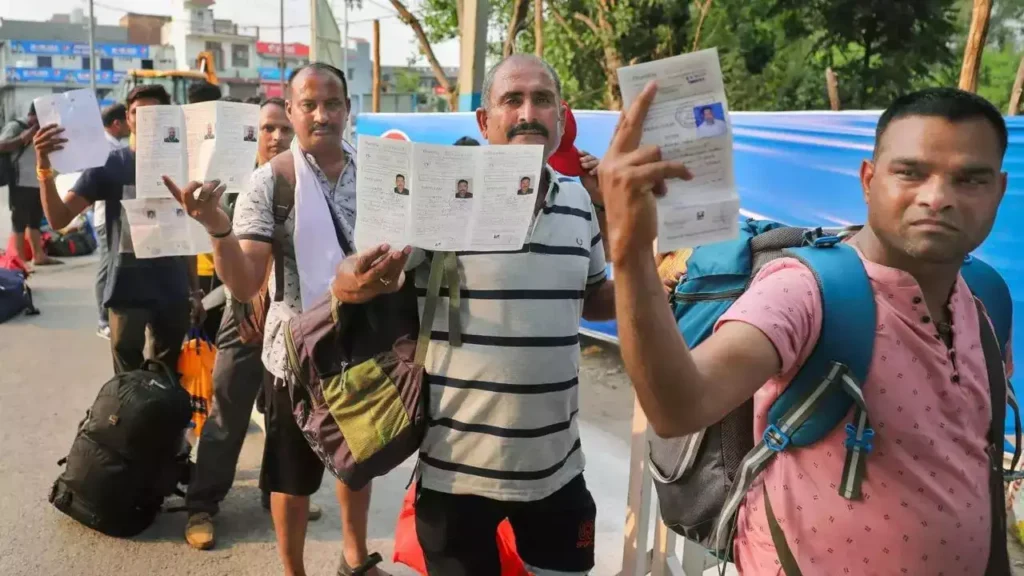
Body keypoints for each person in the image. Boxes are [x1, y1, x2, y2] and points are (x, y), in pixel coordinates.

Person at [602, 85, 1013, 574]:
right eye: (911, 172)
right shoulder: (805, 290)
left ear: (999, 191)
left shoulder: (984, 299)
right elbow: (680, 406)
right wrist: (630, 251)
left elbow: (977, 463)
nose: (937, 198)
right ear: (868, 180)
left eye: (970, 180)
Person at [163, 63, 388, 576]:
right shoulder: (269, 183)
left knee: (358, 463)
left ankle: (355, 557)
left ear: (348, 109)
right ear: (291, 110)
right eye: (308, 105)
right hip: (296, 356)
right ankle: (293, 570)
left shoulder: (378, 175)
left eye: (332, 104)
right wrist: (217, 227)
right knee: (292, 475)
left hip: (363, 347)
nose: (321, 115)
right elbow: (245, 283)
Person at [402, 53, 615, 576]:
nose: (527, 113)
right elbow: (379, 279)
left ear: (560, 117)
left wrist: (653, 271)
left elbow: (593, 298)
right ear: (484, 120)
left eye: (542, 100)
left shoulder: (580, 202)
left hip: (556, 468)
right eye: (511, 100)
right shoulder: (444, 199)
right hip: (456, 471)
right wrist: (354, 277)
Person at [184, 96, 303, 551]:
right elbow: (224, 253)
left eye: (284, 128)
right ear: (252, 135)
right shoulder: (234, 186)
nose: (276, 137)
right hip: (245, 315)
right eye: (267, 128)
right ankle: (202, 504)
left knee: (285, 415)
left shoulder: (306, 182)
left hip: (292, 318)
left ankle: (279, 494)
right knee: (227, 411)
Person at [32, 84, 203, 374]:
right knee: (127, 382)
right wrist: (44, 167)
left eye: (154, 113)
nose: (145, 119)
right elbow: (59, 219)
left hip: (172, 290)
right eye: (138, 113)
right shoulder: (109, 165)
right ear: (127, 118)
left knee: (169, 378)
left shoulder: (183, 166)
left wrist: (195, 291)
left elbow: (187, 233)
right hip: (126, 290)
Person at [0, 104, 60, 266]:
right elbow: (1, 146)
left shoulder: (45, 128)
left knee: (35, 220)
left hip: (38, 181)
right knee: (19, 221)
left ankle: (38, 256)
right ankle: (18, 260)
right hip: (20, 181)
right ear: (32, 114)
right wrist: (23, 138)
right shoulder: (16, 126)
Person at [92, 103, 131, 339]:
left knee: (114, 266)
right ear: (117, 123)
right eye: (127, 119)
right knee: (107, 268)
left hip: (117, 216)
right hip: (107, 217)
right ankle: (102, 320)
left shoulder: (115, 145)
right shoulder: (105, 148)